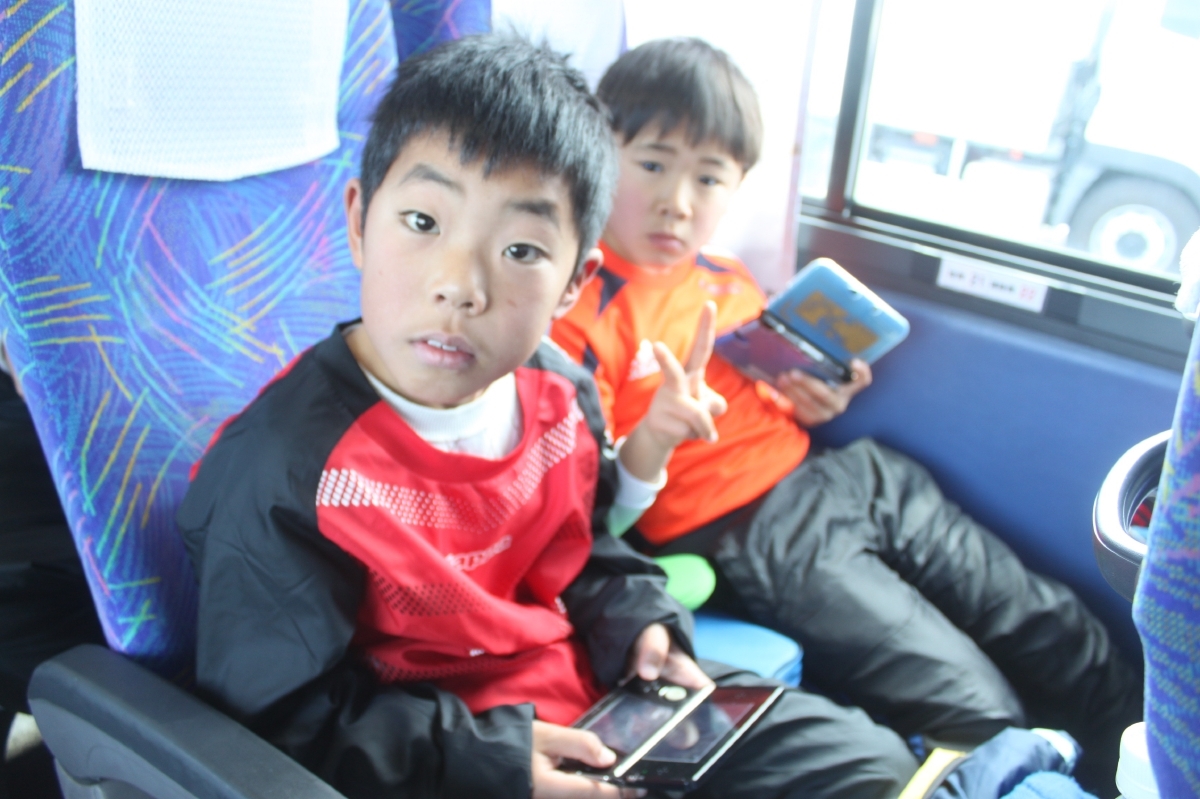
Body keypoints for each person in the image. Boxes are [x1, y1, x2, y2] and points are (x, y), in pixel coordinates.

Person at [177, 35, 944, 799]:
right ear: (358, 221)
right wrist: (486, 760)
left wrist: (643, 623)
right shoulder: (283, 470)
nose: (460, 285)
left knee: (869, 763)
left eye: (520, 249)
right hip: (453, 762)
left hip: (600, 704)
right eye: (422, 223)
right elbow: (283, 719)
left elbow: (587, 553)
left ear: (575, 281)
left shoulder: (558, 392)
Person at [549, 37, 1140, 793]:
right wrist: (657, 430)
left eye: (710, 177)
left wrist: (815, 394)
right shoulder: (578, 311)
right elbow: (592, 505)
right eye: (654, 165)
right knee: (979, 706)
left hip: (846, 474)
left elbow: (765, 389)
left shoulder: (726, 277)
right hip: (747, 529)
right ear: (603, 156)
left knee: (1060, 632)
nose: (680, 201)